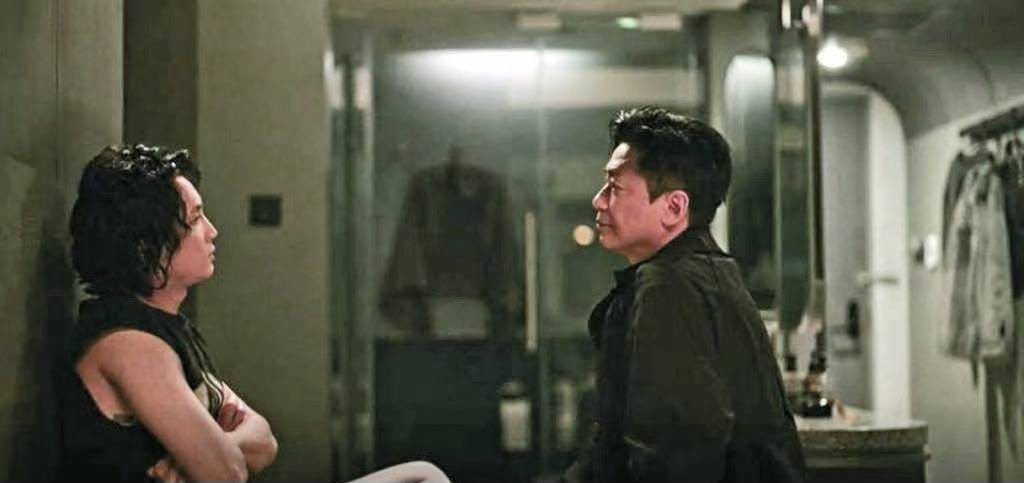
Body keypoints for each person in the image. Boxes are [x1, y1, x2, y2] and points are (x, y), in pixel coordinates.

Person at [58, 144, 450, 483]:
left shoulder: (167, 328)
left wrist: (218, 447)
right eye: (194, 220)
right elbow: (227, 474)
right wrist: (219, 453)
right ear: (146, 248)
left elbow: (264, 441)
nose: (212, 231)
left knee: (422, 474)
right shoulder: (129, 343)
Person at [561, 107, 806, 483]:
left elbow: (675, 454)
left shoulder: (668, 286)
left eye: (615, 187)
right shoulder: (707, 271)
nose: (598, 200)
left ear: (674, 207)